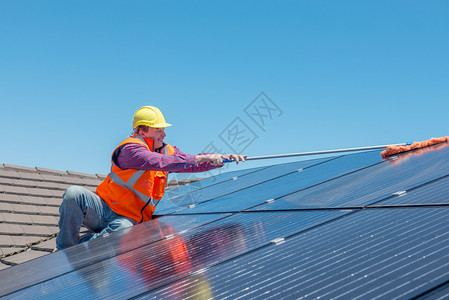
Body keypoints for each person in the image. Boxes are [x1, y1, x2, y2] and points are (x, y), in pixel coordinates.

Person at [55, 106, 246, 250]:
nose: (164, 134)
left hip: (127, 219)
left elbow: (187, 162)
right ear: (142, 130)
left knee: (120, 231)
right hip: (101, 208)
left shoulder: (168, 152)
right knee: (74, 194)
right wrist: (202, 157)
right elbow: (158, 162)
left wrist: (221, 159)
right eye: (158, 130)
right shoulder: (130, 149)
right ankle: (65, 247)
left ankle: (79, 249)